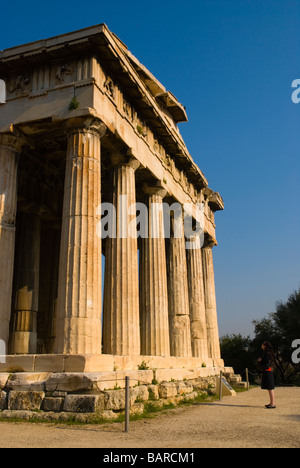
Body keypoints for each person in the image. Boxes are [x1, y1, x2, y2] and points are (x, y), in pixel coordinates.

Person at [258, 341, 276, 409]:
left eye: (263, 344)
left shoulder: (267, 353)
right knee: (269, 388)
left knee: (270, 388)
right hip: (267, 371)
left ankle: (273, 403)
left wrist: (260, 360)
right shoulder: (268, 353)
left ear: (265, 346)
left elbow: (266, 362)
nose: (261, 345)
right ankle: (271, 402)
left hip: (267, 371)